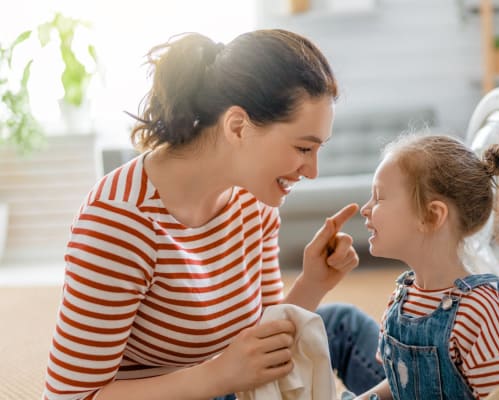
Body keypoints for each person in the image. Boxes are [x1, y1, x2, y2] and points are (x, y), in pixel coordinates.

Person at [42, 29, 384, 400]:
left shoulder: (254, 204)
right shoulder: (120, 222)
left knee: (343, 325)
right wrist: (217, 376)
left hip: (234, 384)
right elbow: (69, 397)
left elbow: (261, 338)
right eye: (303, 148)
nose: (312, 171)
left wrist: (313, 283)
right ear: (237, 126)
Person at [353, 134, 499, 399]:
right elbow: (401, 383)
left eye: (379, 198)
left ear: (432, 215)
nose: (366, 209)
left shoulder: (479, 312)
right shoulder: (402, 299)